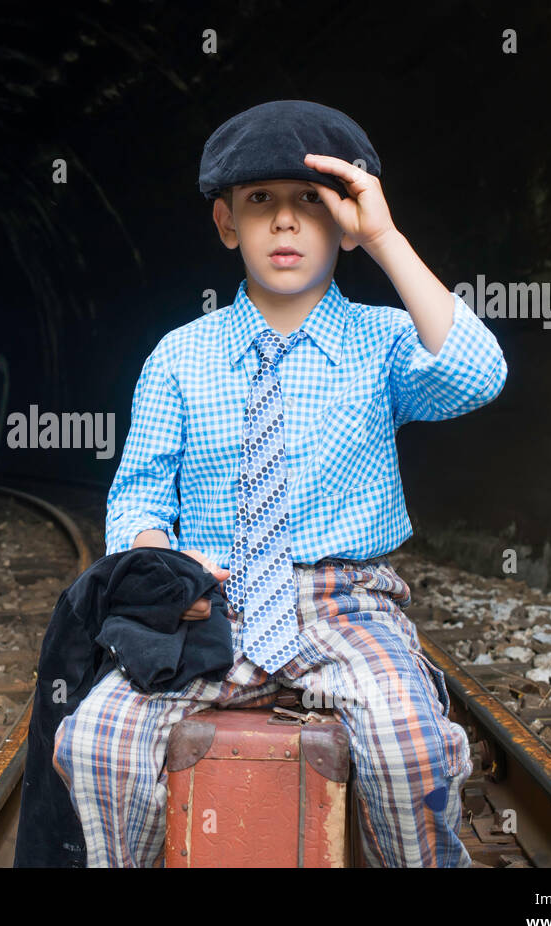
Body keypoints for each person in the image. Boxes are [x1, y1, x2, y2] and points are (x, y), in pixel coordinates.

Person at [51, 100, 507, 867]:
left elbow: (477, 372)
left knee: (409, 745)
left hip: (345, 601)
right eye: (261, 201)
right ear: (227, 224)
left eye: (310, 203)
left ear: (342, 224)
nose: (286, 223)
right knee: (96, 739)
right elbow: (139, 492)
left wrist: (386, 238)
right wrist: (163, 568)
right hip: (207, 605)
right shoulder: (178, 357)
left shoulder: (384, 341)